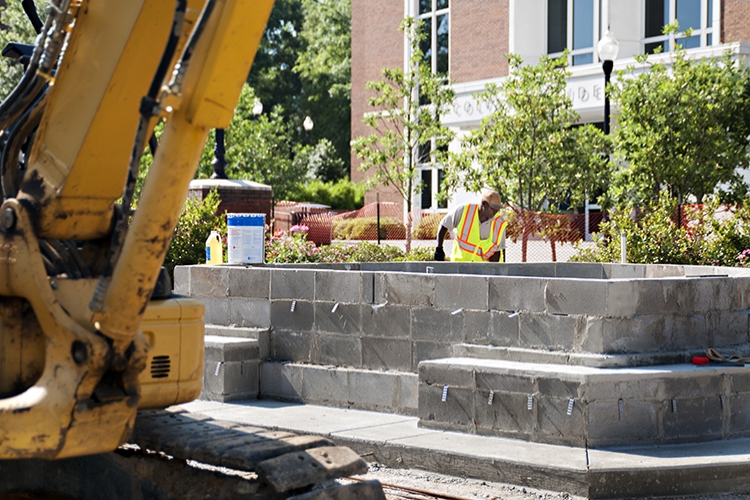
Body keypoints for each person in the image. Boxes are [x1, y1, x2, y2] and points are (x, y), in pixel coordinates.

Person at [434, 189, 507, 262]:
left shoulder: (499, 224)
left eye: (497, 209)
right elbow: (444, 224)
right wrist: (439, 248)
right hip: (460, 265)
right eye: (493, 208)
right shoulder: (464, 211)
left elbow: (496, 252)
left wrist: (493, 270)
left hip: (483, 269)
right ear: (484, 204)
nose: (495, 211)